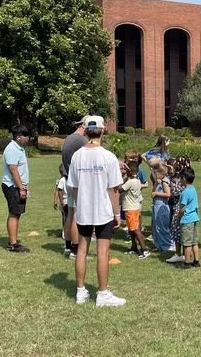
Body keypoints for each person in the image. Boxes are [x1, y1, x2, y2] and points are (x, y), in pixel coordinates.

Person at [67, 116, 126, 307]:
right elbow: (114, 190)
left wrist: (77, 207)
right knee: (103, 251)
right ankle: (102, 293)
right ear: (102, 131)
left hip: (84, 210)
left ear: (86, 130)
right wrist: (117, 214)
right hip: (103, 211)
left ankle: (80, 291)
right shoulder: (108, 157)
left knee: (82, 249)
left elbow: (73, 187)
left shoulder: (77, 156)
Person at [61, 116, 88, 258]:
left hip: (68, 180)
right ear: (84, 125)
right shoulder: (81, 140)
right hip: (76, 183)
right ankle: (76, 250)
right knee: (77, 216)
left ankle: (67, 247)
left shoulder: (70, 138)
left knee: (70, 215)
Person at [1, 125, 30, 252]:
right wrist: (21, 188)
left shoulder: (19, 149)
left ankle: (13, 241)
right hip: (12, 186)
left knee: (17, 213)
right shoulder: (12, 149)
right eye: (26, 136)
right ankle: (13, 244)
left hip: (17, 186)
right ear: (18, 137)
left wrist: (25, 186)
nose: (28, 139)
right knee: (14, 213)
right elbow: (13, 170)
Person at [118, 160, 150, 258]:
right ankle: (134, 247)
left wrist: (122, 178)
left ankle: (144, 249)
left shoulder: (130, 182)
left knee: (135, 230)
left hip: (131, 209)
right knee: (131, 229)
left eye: (126, 169)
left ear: (130, 172)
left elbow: (119, 189)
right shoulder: (137, 181)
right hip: (132, 208)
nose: (124, 171)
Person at [166, 156, 191, 263]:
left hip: (179, 206)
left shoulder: (179, 179)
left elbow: (175, 192)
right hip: (186, 206)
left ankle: (179, 254)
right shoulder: (188, 176)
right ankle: (183, 254)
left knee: (177, 229)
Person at [175, 167, 200, 269]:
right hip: (195, 218)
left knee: (186, 243)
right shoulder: (193, 189)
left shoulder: (185, 192)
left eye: (180, 178)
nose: (179, 180)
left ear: (184, 179)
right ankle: (196, 261)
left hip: (187, 220)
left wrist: (178, 217)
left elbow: (182, 208)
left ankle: (187, 262)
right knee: (194, 242)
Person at [150, 162, 173, 252]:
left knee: (162, 226)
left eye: (155, 173)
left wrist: (156, 193)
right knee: (156, 226)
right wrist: (155, 184)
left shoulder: (164, 182)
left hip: (162, 206)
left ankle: (167, 245)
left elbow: (168, 194)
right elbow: (152, 192)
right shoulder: (158, 181)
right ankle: (159, 244)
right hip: (156, 205)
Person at [53, 163, 68, 238]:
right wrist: (56, 201)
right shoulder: (60, 180)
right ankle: (65, 232)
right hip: (64, 201)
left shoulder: (64, 179)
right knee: (65, 216)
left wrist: (55, 201)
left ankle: (66, 231)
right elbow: (57, 190)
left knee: (65, 217)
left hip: (65, 201)